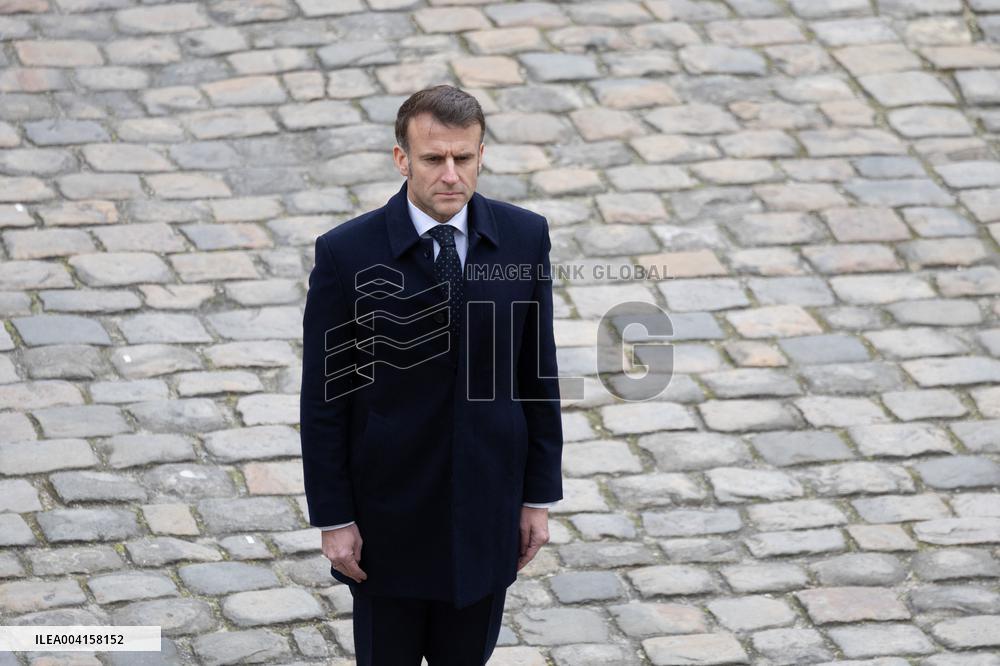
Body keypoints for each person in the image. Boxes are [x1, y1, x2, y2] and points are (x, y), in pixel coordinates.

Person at [299, 84, 564, 665]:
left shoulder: (524, 237)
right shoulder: (347, 253)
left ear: (480, 155)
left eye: (463, 158)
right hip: (387, 523)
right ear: (402, 159)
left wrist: (538, 498)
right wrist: (334, 517)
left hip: (487, 513)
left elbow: (536, 375)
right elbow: (324, 398)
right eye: (433, 159)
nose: (450, 174)